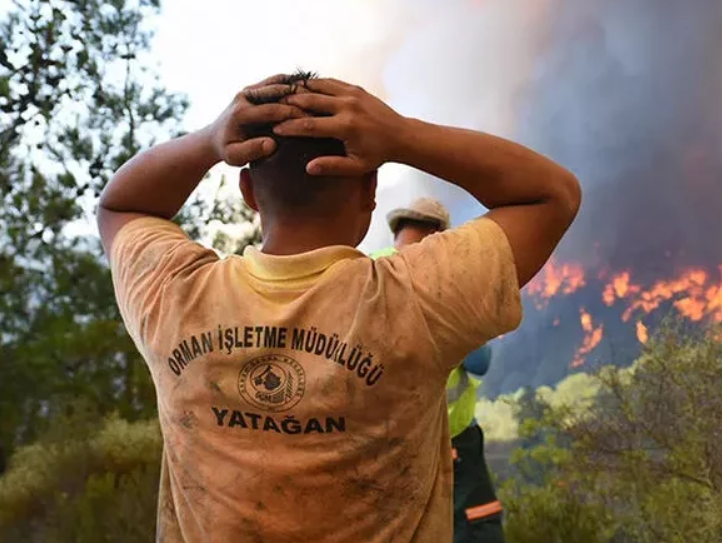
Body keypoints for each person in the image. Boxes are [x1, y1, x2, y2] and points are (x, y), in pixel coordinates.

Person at [97, 71, 581, 542]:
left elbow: (121, 206)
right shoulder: (417, 300)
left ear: (248, 193)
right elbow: (550, 195)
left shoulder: (175, 294)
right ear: (370, 192)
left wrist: (207, 142)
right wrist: (401, 135)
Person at [373, 198, 506, 543]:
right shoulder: (444, 278)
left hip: (382, 441)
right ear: (436, 235)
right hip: (449, 436)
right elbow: (479, 363)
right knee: (473, 523)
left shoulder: (367, 271)